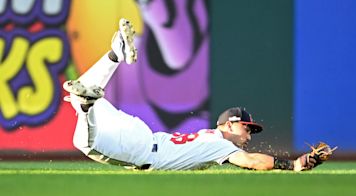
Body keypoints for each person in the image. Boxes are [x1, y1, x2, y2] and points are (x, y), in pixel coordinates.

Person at [64, 18, 318, 171]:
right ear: (229, 124)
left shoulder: (209, 137)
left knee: (79, 93)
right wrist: (292, 164)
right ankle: (88, 106)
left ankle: (115, 55)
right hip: (138, 149)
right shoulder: (219, 144)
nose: (249, 134)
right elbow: (251, 161)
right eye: (247, 128)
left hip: (140, 136)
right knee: (85, 141)